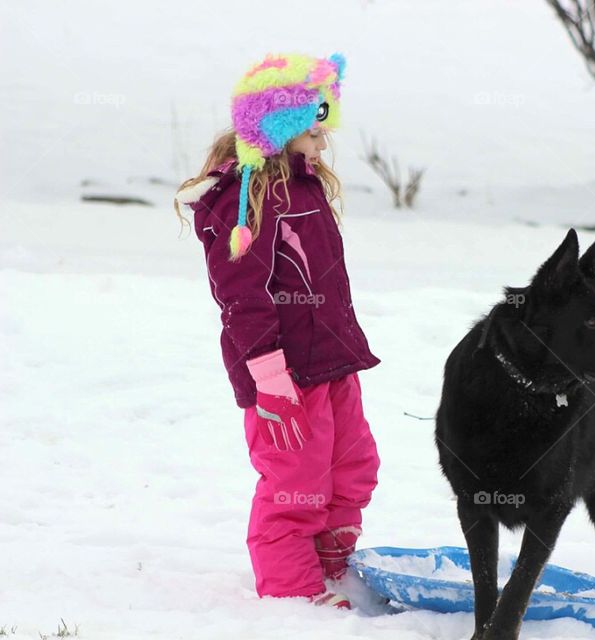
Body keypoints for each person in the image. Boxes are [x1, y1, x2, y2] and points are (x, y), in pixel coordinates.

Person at [174, 53, 380, 608]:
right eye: (314, 132)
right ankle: (292, 593)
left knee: (355, 466)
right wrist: (269, 374)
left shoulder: (304, 185)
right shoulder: (243, 201)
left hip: (332, 359)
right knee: (296, 483)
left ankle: (332, 560)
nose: (322, 144)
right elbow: (241, 295)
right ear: (280, 128)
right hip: (283, 377)